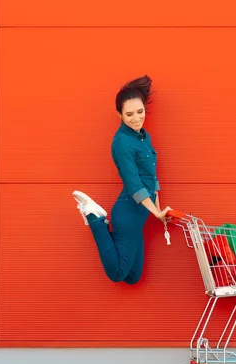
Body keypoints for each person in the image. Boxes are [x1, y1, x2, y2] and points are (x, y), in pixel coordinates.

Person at [72, 75, 172, 284]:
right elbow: (134, 183)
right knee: (118, 274)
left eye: (140, 111)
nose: (136, 118)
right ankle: (95, 219)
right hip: (128, 213)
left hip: (141, 215)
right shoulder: (122, 142)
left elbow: (151, 179)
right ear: (119, 114)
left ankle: (101, 222)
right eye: (129, 114)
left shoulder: (144, 137)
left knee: (133, 277)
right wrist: (155, 211)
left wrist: (158, 213)